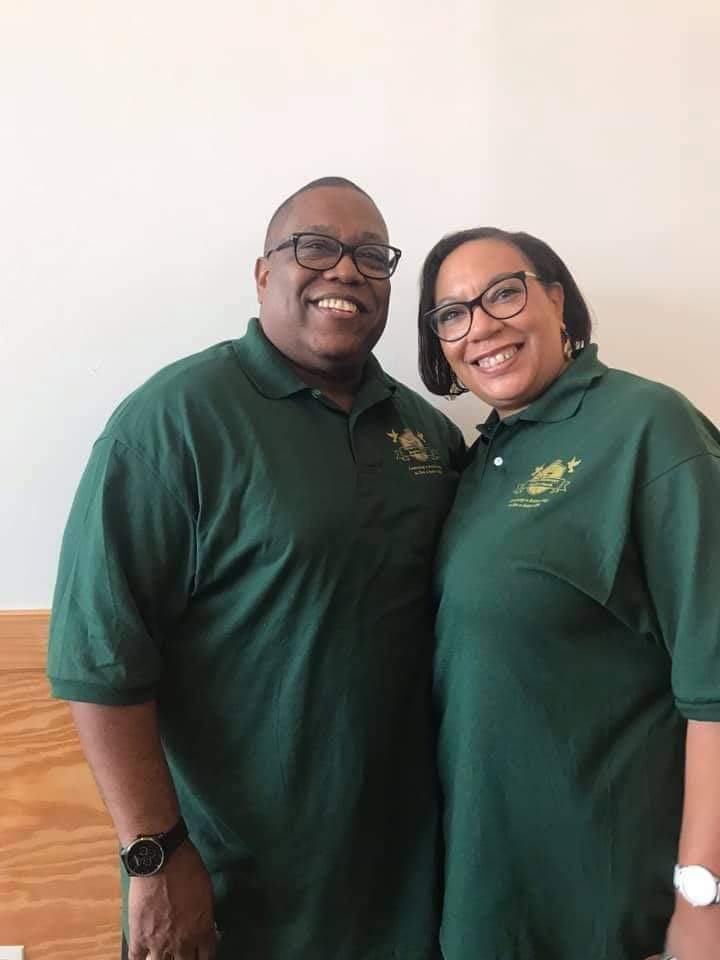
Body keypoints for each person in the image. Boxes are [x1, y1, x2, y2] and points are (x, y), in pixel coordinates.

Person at [47, 176, 465, 960]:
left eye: (371, 256)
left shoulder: (430, 438)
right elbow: (98, 662)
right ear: (264, 272)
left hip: (406, 886)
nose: (346, 270)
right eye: (315, 246)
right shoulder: (174, 422)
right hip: (230, 887)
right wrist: (155, 856)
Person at [418, 226, 720, 960]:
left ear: (557, 301)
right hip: (492, 889)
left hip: (610, 900)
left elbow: (714, 685)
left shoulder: (649, 426)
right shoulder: (481, 457)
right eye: (452, 313)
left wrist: (701, 901)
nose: (480, 325)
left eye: (503, 293)